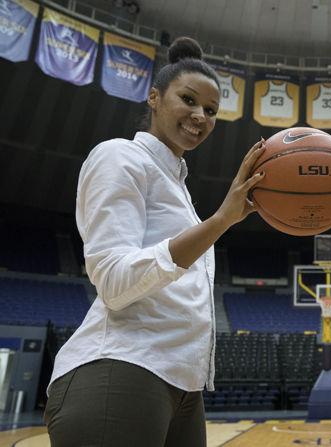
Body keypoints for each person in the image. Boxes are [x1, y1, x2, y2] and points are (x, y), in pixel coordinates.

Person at [44, 37, 266, 446]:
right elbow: (112, 282)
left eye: (212, 110)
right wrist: (220, 221)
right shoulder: (120, 156)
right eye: (188, 99)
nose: (200, 116)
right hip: (120, 369)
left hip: (184, 386)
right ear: (154, 97)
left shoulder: (181, 192)